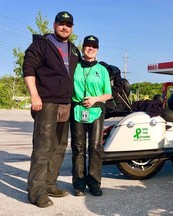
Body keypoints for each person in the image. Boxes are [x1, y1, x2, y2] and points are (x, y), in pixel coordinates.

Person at [22, 11, 80, 208]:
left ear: (72, 28)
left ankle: (49, 184)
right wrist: (34, 95)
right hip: (46, 102)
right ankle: (36, 192)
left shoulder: (73, 49)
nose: (65, 27)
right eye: (61, 23)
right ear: (55, 25)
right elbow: (28, 68)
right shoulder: (41, 44)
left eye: (68, 25)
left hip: (66, 103)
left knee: (59, 146)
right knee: (43, 147)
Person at [70, 35, 112, 197]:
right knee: (78, 148)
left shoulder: (102, 70)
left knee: (95, 148)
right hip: (77, 110)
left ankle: (94, 183)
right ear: (83, 48)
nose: (91, 48)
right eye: (88, 45)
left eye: (94, 46)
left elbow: (108, 94)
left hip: (95, 112)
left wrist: (95, 99)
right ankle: (79, 184)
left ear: (97, 49)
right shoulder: (76, 66)